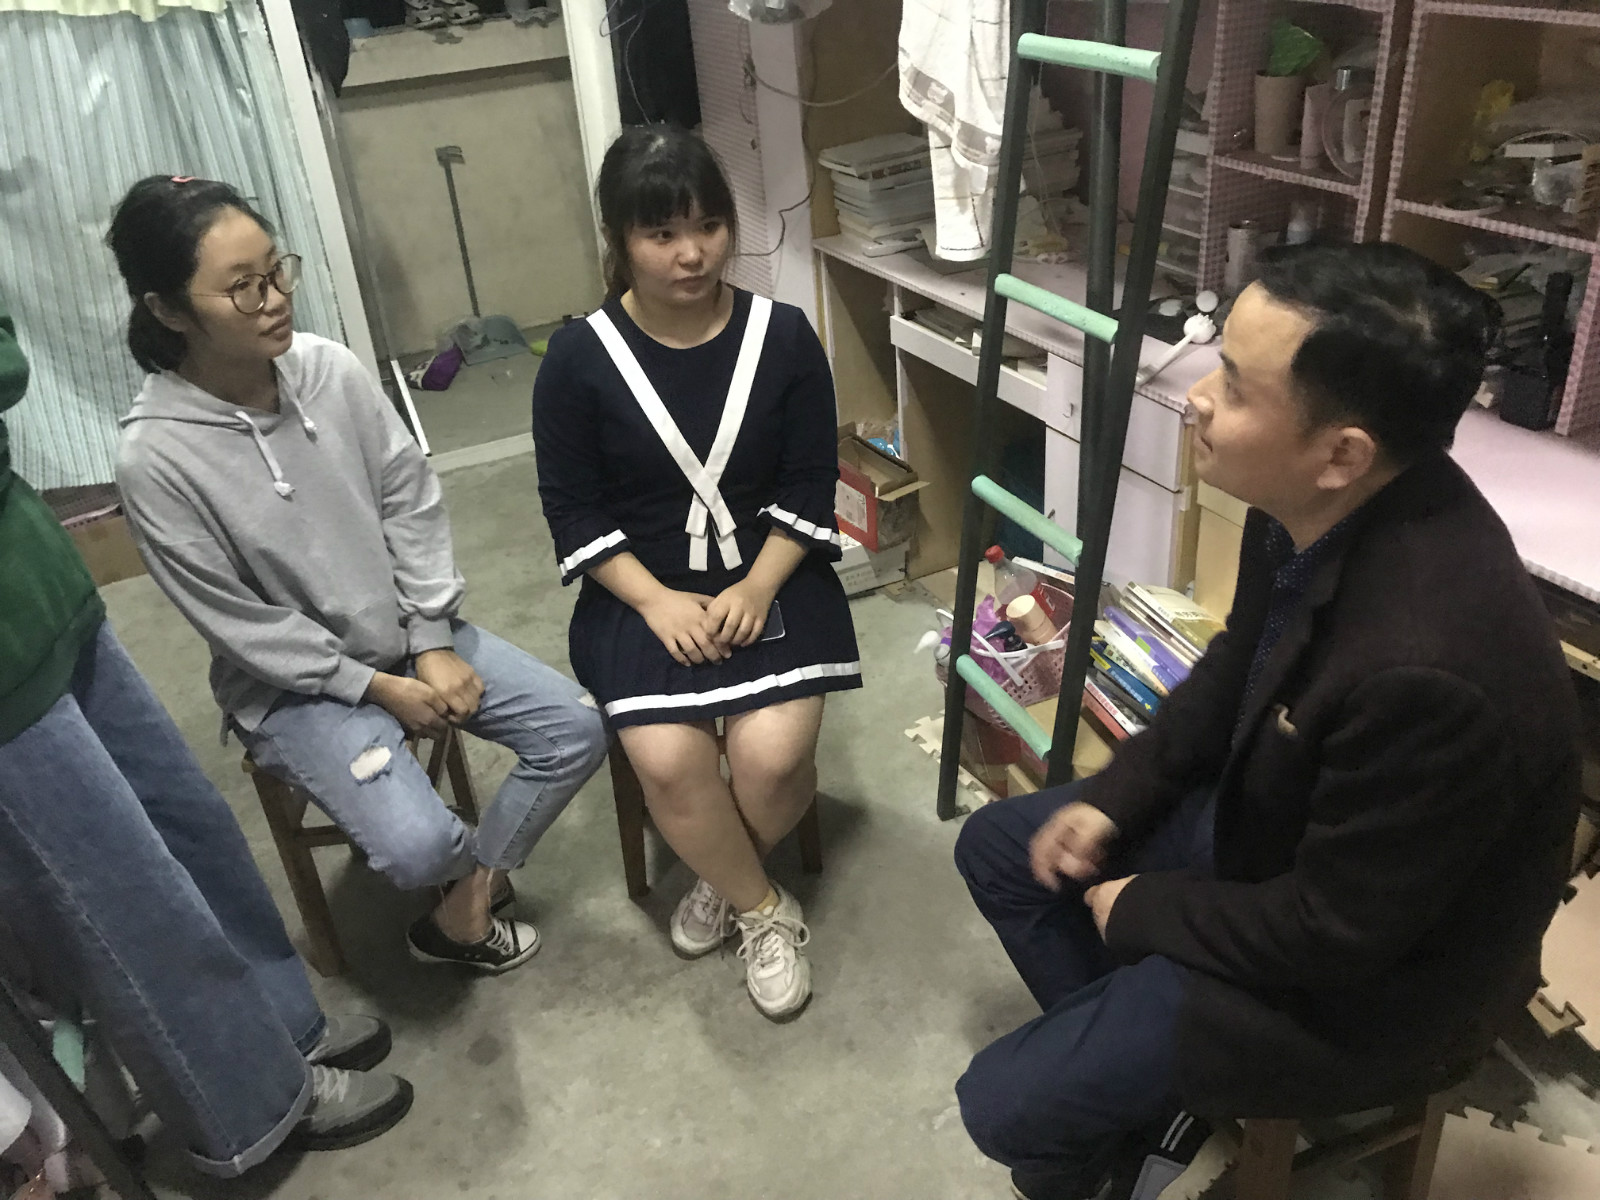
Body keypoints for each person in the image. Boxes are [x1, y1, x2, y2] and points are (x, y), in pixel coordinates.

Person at [953, 242, 1582, 1200]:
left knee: (1000, 1107)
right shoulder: (1312, 500)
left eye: (1237, 387)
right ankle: (1148, 1103)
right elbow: (1235, 667)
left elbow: (1336, 934)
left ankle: (1120, 1127)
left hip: (1376, 987)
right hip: (1287, 834)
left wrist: (1146, 909)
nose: (1198, 398)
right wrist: (1117, 797)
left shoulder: (1426, 670)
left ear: (1343, 452)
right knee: (1006, 851)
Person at [108, 176, 608, 974]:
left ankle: (465, 902)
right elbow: (239, 625)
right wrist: (376, 688)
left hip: (405, 633)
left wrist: (431, 637)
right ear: (167, 310)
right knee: (416, 848)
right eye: (243, 288)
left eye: (277, 271)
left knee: (576, 729)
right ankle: (455, 879)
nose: (275, 299)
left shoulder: (330, 370)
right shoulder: (155, 458)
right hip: (294, 688)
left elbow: (410, 499)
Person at [0, 297, 411, 1174]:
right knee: (123, 898)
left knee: (193, 829)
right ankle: (252, 1107)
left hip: (36, 583)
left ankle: (284, 1027)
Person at [531, 126, 861, 1020]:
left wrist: (757, 585)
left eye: (709, 226)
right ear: (618, 239)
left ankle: (721, 874)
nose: (692, 254)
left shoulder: (782, 336)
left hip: (772, 571)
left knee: (772, 760)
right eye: (661, 233)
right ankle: (763, 905)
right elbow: (573, 511)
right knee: (671, 762)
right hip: (639, 586)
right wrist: (655, 601)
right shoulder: (577, 359)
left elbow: (809, 483)